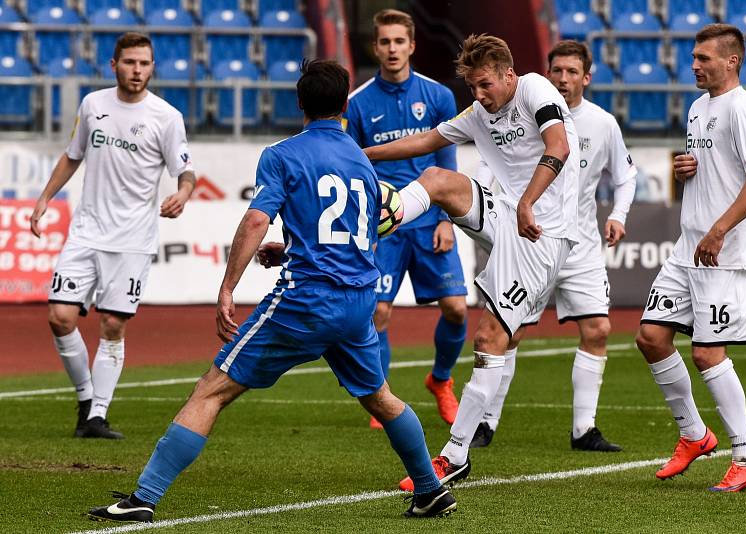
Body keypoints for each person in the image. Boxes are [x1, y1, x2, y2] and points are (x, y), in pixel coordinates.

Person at [87, 59, 456, 523]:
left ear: (299, 103)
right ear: (345, 105)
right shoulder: (361, 160)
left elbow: (257, 219)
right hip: (357, 300)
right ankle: (429, 489)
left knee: (212, 389)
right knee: (380, 397)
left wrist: (226, 288)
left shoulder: (282, 155)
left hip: (306, 300)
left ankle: (144, 497)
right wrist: (292, 250)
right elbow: (362, 229)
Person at [363, 33, 580, 489]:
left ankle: (456, 453)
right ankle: (388, 218)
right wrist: (360, 154)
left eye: (485, 85)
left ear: (508, 73)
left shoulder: (536, 88)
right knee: (439, 177)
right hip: (507, 215)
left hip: (542, 234)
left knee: (489, 337)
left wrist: (527, 202)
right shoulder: (480, 111)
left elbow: (557, 145)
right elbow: (425, 140)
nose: (479, 96)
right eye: (472, 88)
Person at [470, 40, 636, 452]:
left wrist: (619, 215)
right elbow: (497, 173)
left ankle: (584, 429)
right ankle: (485, 422)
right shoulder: (521, 113)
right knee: (511, 331)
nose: (563, 78)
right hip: (531, 241)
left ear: (586, 77)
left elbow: (626, 176)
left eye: (572, 71)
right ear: (546, 73)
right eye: (556, 70)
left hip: (579, 246)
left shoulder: (602, 123)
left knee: (597, 329)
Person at [30, 32, 196, 440]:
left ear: (152, 67)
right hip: (86, 232)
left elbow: (185, 171)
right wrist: (45, 197)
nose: (136, 70)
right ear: (114, 65)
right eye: (129, 63)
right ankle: (86, 398)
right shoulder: (93, 105)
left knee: (112, 325)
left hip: (132, 240)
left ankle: (97, 415)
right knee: (60, 317)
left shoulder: (166, 117)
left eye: (144, 63)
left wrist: (184, 193)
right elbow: (73, 155)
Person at [635, 24, 746, 492]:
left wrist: (718, 231)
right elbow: (716, 167)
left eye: (703, 58)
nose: (694, 65)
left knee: (706, 351)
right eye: (693, 58)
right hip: (688, 244)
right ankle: (694, 435)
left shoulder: (745, 107)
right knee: (651, 336)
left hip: (724, 250)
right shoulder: (697, 108)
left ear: (731, 60)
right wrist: (686, 167)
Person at [343, 9, 468, 429]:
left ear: (412, 45)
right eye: (385, 42)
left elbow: (447, 160)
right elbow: (354, 164)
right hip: (382, 227)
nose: (392, 49)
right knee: (377, 313)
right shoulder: (357, 103)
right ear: (374, 46)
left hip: (431, 218)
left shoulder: (438, 97)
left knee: (454, 308)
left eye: (400, 41)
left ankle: (442, 380)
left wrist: (447, 219)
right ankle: (383, 397)